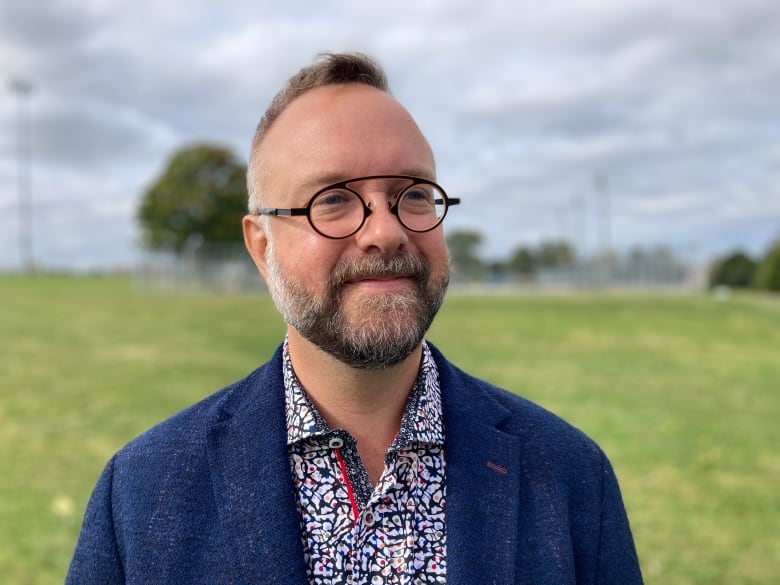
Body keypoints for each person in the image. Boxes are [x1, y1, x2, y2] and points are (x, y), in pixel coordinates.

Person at [67, 52, 643, 584]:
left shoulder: (570, 476)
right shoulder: (142, 494)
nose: (386, 230)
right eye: (333, 199)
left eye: (413, 193)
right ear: (262, 246)